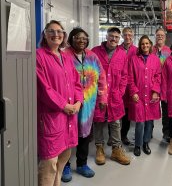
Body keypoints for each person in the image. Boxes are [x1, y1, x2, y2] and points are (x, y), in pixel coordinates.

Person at [36, 20, 83, 186]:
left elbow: (77, 83)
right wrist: (64, 105)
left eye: (59, 31)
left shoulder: (66, 57)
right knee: (49, 164)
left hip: (70, 117)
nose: (56, 34)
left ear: (63, 36)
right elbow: (43, 88)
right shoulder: (39, 56)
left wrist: (78, 102)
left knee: (63, 158)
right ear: (45, 35)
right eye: (51, 31)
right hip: (52, 118)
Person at [61, 28, 108, 182]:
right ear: (71, 39)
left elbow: (101, 78)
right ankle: (65, 165)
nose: (81, 40)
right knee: (67, 134)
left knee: (85, 134)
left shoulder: (92, 57)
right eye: (77, 38)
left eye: (84, 38)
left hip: (88, 104)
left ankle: (82, 164)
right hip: (69, 104)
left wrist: (102, 98)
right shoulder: (64, 55)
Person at [91, 27, 131, 166]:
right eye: (111, 36)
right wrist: (94, 91)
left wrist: (120, 92)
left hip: (115, 94)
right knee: (99, 122)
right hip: (99, 94)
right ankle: (99, 148)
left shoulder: (122, 53)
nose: (114, 39)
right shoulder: (95, 52)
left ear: (119, 39)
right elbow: (90, 73)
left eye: (116, 37)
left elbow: (125, 76)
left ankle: (116, 150)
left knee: (115, 123)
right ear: (106, 37)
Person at [127, 35, 162, 156]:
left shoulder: (155, 59)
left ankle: (146, 142)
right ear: (140, 46)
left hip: (151, 95)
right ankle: (137, 144)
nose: (145, 46)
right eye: (143, 44)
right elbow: (130, 78)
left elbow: (158, 76)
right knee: (140, 121)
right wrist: (134, 92)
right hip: (139, 95)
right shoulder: (133, 59)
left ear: (150, 45)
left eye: (147, 43)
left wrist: (155, 91)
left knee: (149, 122)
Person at [152, 28, 171, 142]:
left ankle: (167, 133)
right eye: (158, 35)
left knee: (166, 111)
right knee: (150, 109)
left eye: (162, 35)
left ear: (165, 37)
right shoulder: (150, 49)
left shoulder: (169, 51)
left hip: (165, 85)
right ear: (155, 36)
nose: (160, 37)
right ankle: (148, 133)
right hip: (151, 84)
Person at [119, 27, 137, 146]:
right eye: (125, 34)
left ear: (133, 36)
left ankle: (123, 135)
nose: (127, 37)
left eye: (130, 35)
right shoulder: (117, 49)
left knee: (127, 113)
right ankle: (112, 136)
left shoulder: (136, 50)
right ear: (122, 36)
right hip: (117, 84)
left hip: (130, 86)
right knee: (114, 111)